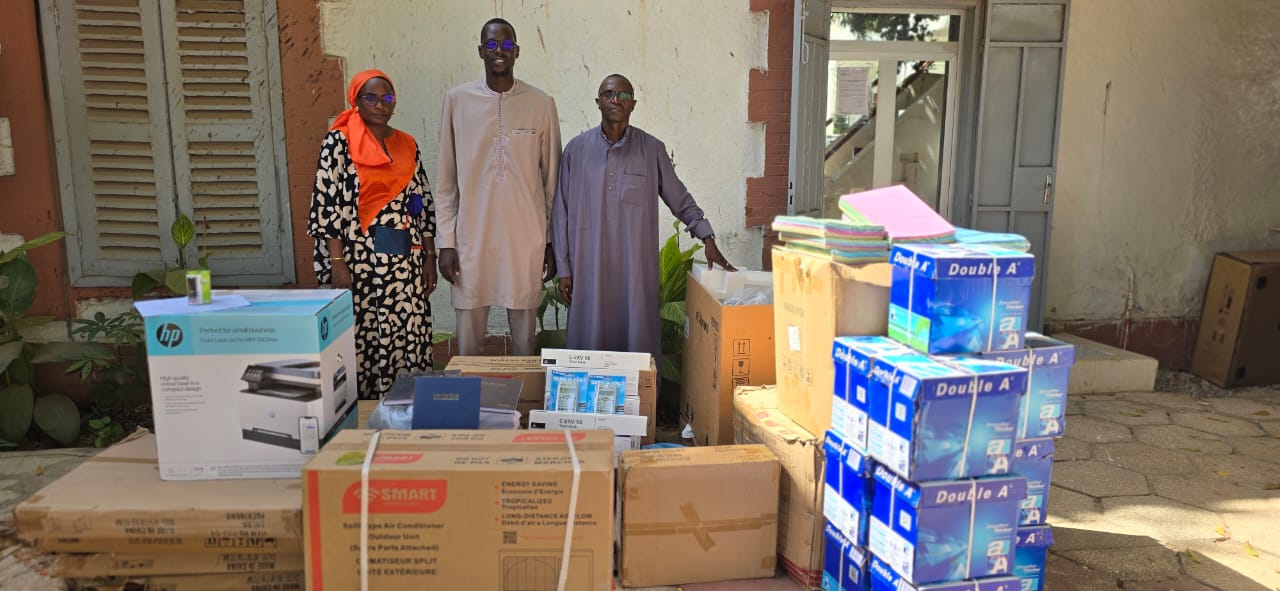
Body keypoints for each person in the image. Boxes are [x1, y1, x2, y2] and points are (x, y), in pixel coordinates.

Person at [552, 74, 736, 363]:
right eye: (609, 94)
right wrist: (564, 268)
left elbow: (680, 198)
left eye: (624, 96)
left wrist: (706, 237)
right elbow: (560, 211)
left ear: (633, 105)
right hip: (589, 268)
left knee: (637, 340)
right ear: (598, 101)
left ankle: (643, 400)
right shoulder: (576, 151)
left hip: (634, 270)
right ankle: (586, 405)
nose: (616, 100)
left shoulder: (652, 150)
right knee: (588, 342)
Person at [308, 69, 437, 399]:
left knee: (407, 332)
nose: (381, 105)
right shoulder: (338, 142)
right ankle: (364, 413)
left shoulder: (407, 144)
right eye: (371, 98)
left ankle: (408, 407)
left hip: (404, 262)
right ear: (356, 100)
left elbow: (422, 201)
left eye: (387, 98)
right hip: (358, 262)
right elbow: (327, 205)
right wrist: (337, 262)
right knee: (365, 337)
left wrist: (430, 256)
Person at [435, 17, 561, 356]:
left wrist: (552, 242)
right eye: (491, 45)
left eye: (506, 45)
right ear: (480, 51)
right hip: (472, 237)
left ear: (517, 51)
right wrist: (445, 241)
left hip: (526, 237)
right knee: (469, 338)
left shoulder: (541, 104)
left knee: (524, 339)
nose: (499, 51)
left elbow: (553, 182)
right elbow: (446, 181)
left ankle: (524, 402)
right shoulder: (457, 101)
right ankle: (469, 405)